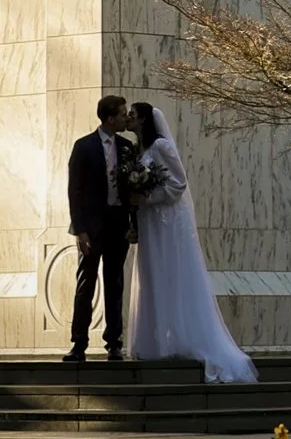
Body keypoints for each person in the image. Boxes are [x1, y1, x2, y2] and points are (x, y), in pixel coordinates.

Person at [124, 100, 257, 383]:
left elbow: (178, 182)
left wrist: (148, 197)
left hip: (165, 221)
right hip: (149, 222)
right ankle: (155, 341)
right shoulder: (140, 151)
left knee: (168, 273)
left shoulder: (161, 146)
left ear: (145, 120)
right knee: (151, 275)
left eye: (133, 116)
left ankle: (181, 339)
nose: (129, 119)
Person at [63, 93, 135, 363]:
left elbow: (132, 191)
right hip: (92, 227)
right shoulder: (84, 147)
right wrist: (79, 230)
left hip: (118, 224)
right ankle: (79, 343)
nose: (126, 118)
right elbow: (74, 191)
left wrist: (132, 224)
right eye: (122, 114)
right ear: (109, 118)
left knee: (115, 283)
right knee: (86, 284)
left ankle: (114, 342)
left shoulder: (128, 148)